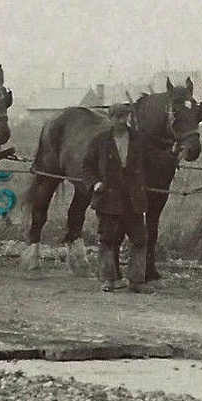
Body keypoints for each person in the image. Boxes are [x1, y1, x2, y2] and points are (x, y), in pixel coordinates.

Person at [83, 102, 152, 294]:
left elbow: (152, 161)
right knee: (107, 239)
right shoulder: (100, 141)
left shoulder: (138, 139)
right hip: (108, 198)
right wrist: (95, 183)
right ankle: (109, 279)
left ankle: (136, 281)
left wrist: (172, 154)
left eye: (125, 116)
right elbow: (87, 166)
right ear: (110, 118)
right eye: (118, 117)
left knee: (139, 240)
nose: (122, 120)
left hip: (133, 198)